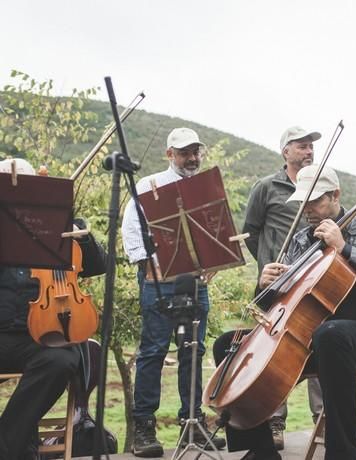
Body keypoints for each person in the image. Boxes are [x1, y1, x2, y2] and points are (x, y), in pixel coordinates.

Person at [258, 164, 356, 459]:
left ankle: (343, 455)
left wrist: (346, 248)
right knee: (231, 344)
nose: (307, 210)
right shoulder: (301, 240)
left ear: (336, 195)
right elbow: (280, 306)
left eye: (314, 201)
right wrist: (266, 287)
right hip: (311, 339)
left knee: (331, 334)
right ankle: (261, 452)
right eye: (303, 202)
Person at [121, 128, 225, 457]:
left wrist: (215, 261)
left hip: (194, 282)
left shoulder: (207, 187)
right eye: (184, 153)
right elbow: (131, 229)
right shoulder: (148, 185)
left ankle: (192, 422)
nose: (192, 158)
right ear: (170, 154)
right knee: (152, 351)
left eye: (196, 152)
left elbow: (217, 229)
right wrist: (146, 265)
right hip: (157, 281)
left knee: (191, 350)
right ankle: (143, 428)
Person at [0, 158, 106, 460]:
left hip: (40, 334)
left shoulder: (55, 220)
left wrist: (81, 236)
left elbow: (99, 265)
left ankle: (7, 441)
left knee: (62, 359)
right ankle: (20, 447)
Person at [242, 126, 324, 449]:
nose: (309, 151)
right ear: (285, 151)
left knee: (318, 343)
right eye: (302, 146)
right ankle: (275, 422)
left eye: (311, 147)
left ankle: (324, 418)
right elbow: (250, 231)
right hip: (276, 284)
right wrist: (266, 263)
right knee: (273, 356)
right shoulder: (265, 187)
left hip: (313, 281)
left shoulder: (320, 185)